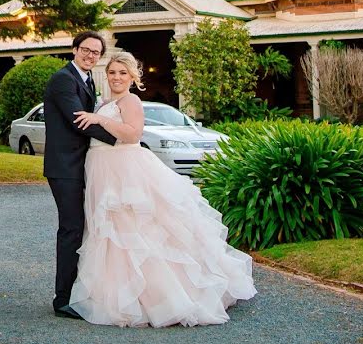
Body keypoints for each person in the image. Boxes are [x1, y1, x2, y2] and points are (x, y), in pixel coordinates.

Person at [68, 51, 256, 327]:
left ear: (133, 77)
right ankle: (118, 294)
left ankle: (160, 298)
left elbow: (133, 133)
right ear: (106, 75)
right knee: (110, 232)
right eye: (112, 72)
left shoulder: (129, 100)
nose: (117, 77)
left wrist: (101, 120)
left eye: (123, 73)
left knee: (134, 229)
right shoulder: (105, 101)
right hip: (103, 168)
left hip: (125, 170)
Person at [43, 31, 117, 319]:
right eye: (85, 50)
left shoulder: (86, 80)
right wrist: (120, 138)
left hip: (80, 165)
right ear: (74, 50)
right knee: (72, 228)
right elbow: (78, 121)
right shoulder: (63, 79)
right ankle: (62, 299)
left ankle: (77, 291)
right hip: (64, 167)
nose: (90, 55)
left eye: (96, 52)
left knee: (82, 227)